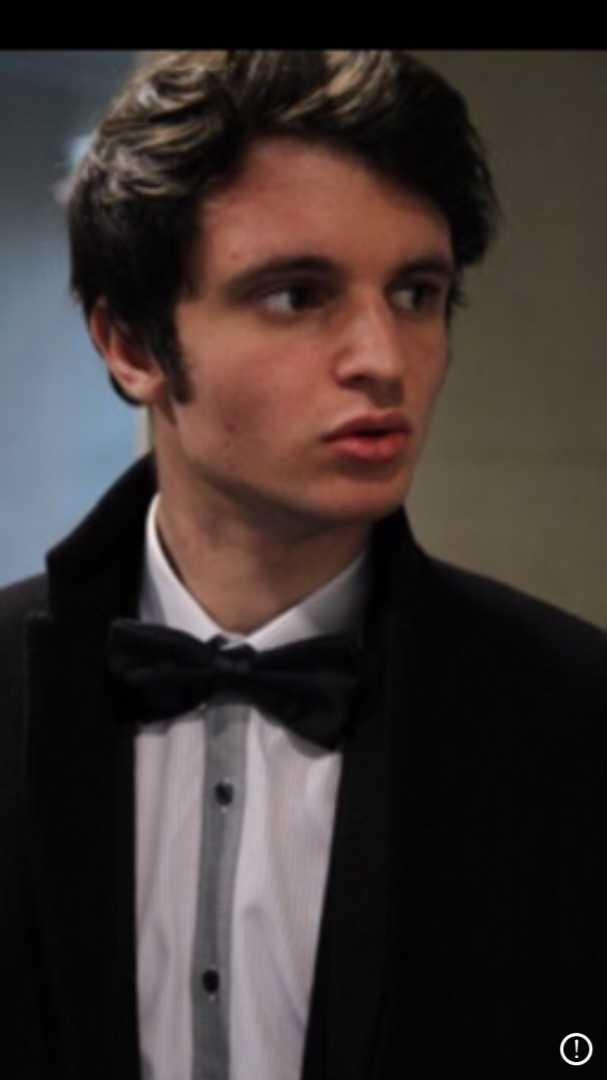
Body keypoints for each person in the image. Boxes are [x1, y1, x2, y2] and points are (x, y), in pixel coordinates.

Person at [1, 50, 605, 1080]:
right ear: (131, 344)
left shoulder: (572, 716)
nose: (383, 358)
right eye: (294, 295)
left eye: (415, 292)